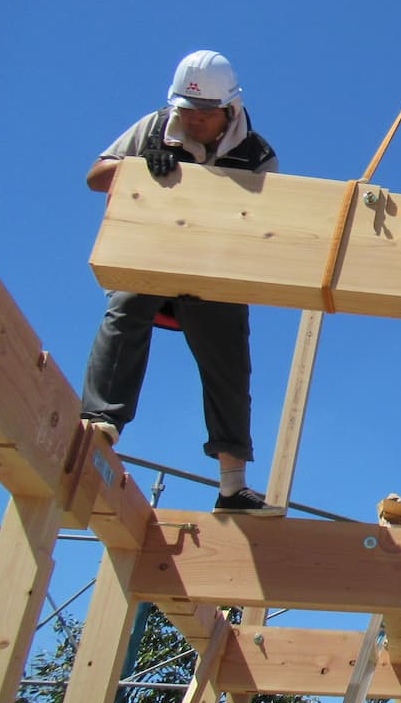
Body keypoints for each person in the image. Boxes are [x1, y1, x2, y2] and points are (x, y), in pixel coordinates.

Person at [81, 50, 282, 515]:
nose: (192, 124)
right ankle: (99, 423)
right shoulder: (155, 127)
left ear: (229, 110)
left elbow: (272, 225)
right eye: (186, 113)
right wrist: (136, 169)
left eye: (203, 116)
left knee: (229, 359)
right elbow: (96, 176)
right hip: (154, 250)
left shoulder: (257, 154)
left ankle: (233, 488)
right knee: (125, 306)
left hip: (213, 264)